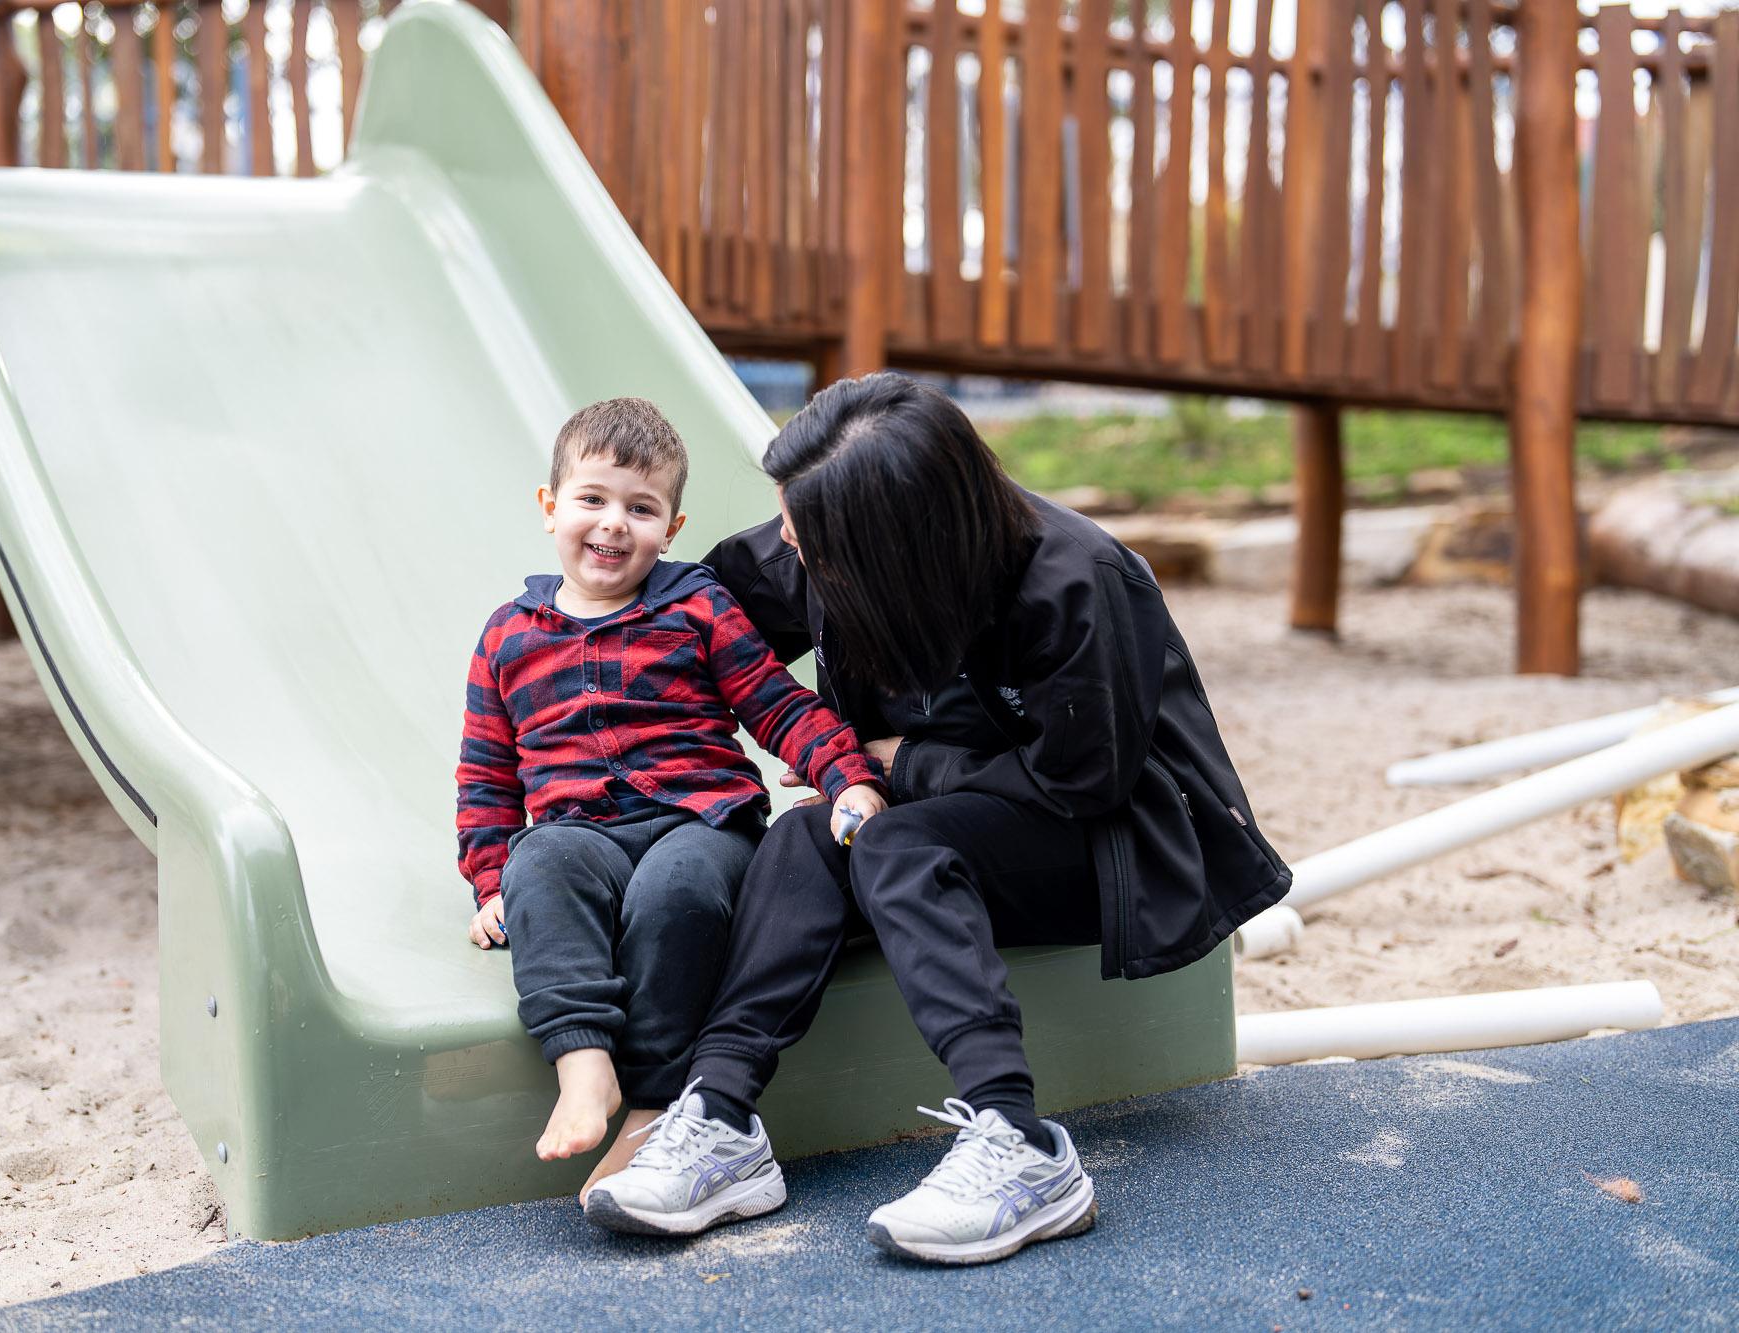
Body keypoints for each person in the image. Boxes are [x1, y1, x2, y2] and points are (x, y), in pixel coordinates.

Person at [583, 373, 1291, 1264]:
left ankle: (1022, 1143)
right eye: (788, 527)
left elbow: (1083, 780)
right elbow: (682, 617)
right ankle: (721, 1119)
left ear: (894, 544)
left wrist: (901, 765)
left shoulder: (1075, 579)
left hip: (1107, 841)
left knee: (891, 839)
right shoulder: (824, 534)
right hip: (939, 820)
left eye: (806, 541)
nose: (787, 547)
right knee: (808, 831)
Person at [456, 397, 888, 1202]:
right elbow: (486, 774)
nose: (613, 523)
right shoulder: (509, 635)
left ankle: (654, 1101)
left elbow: (776, 703)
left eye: (641, 508)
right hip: (580, 831)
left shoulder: (697, 605)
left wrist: (846, 775)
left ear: (672, 527)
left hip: (704, 821)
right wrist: (489, 882)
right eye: (592, 498)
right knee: (536, 864)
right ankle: (584, 1064)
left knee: (673, 890)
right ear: (551, 506)